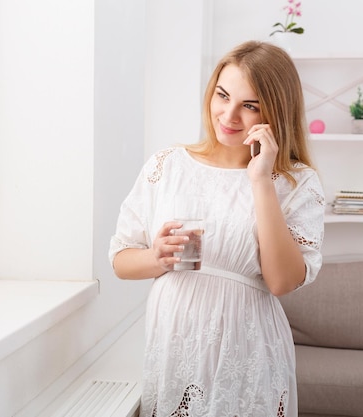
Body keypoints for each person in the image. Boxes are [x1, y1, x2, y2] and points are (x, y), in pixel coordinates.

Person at [109, 40, 325, 417]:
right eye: (222, 95)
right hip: (174, 346)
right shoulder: (168, 165)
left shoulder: (296, 183)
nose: (229, 115)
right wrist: (156, 257)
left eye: (250, 105)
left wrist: (260, 180)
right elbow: (120, 261)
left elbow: (282, 281)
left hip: (248, 350)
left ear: (276, 111)